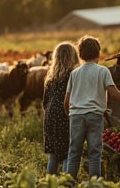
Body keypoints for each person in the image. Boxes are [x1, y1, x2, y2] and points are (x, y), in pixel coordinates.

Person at [64, 35, 120, 180]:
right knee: (95, 152)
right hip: (94, 116)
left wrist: (70, 114)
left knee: (74, 152)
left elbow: (67, 100)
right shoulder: (102, 71)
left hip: (76, 116)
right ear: (98, 53)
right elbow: (114, 93)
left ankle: (69, 182)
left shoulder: (74, 74)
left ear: (80, 54)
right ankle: (94, 183)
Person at [43, 41, 80, 175]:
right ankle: (66, 182)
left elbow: (45, 102)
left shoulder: (51, 77)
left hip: (50, 117)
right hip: (66, 114)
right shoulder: (73, 75)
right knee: (68, 153)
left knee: (54, 154)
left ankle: (48, 182)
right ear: (73, 57)